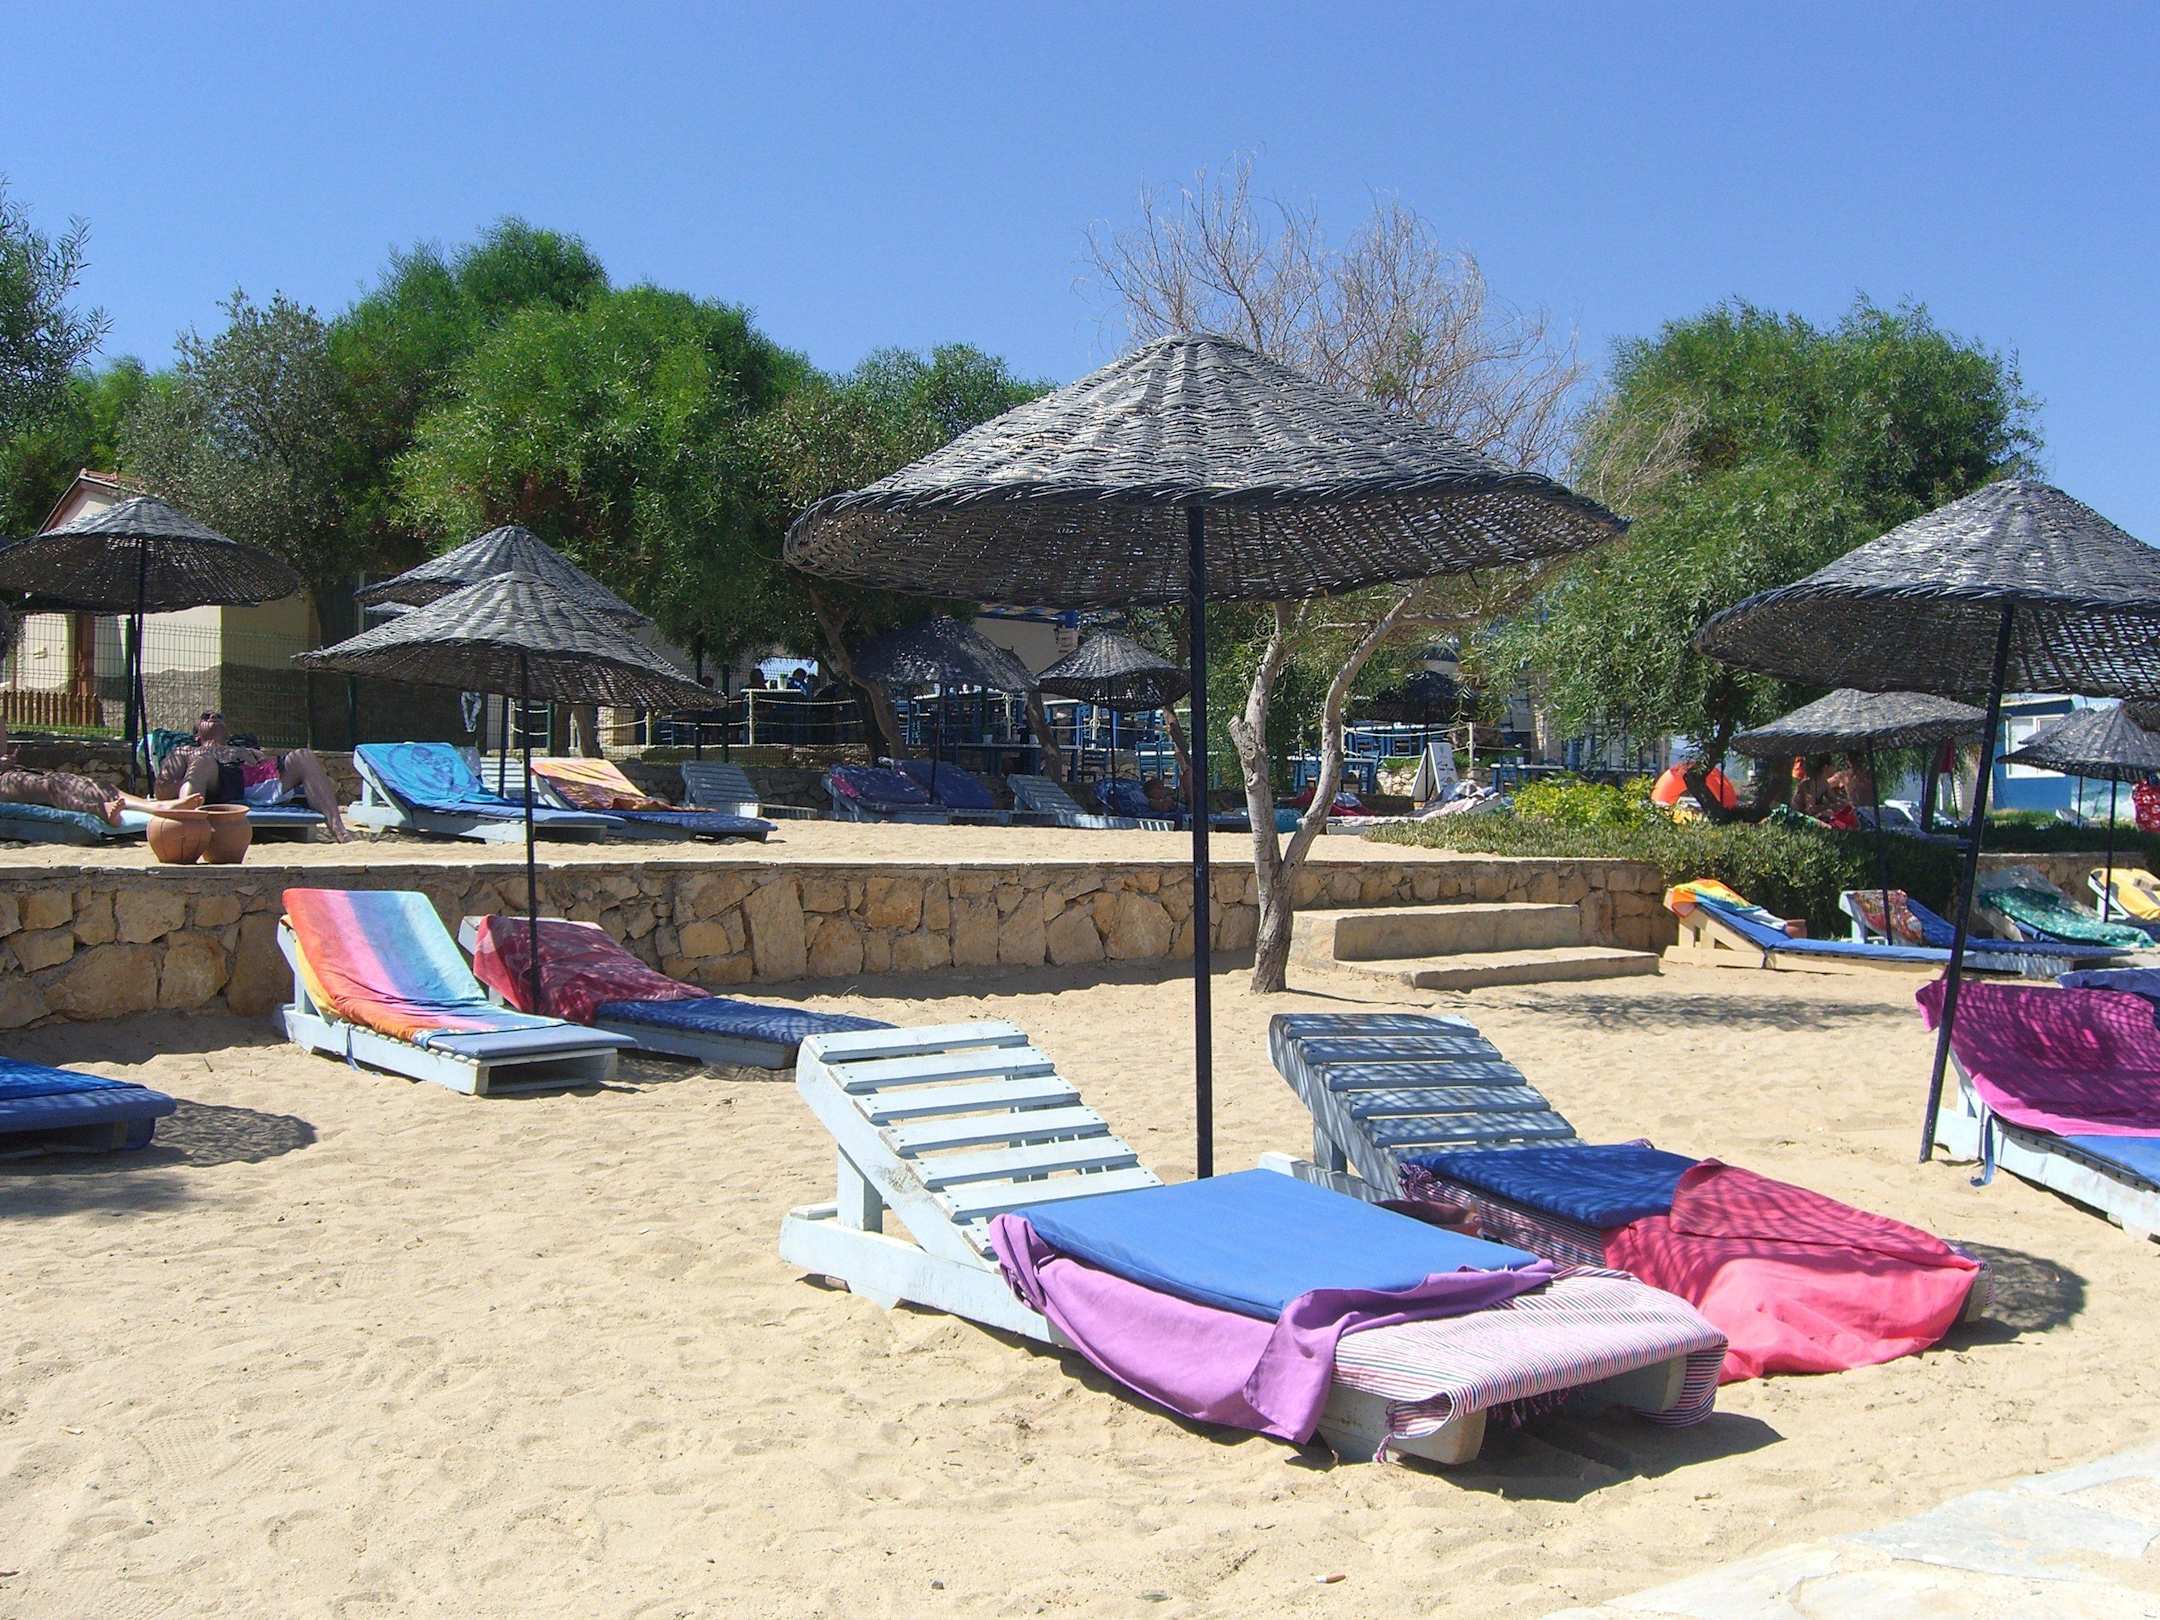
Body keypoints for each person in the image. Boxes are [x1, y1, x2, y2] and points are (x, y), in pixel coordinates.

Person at [155, 711, 352, 842]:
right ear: (197, 735)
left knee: (303, 755)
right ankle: (187, 831)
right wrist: (198, 774)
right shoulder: (185, 751)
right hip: (219, 784)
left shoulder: (244, 749)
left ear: (227, 731)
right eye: (206, 716)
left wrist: (253, 756)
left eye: (219, 716)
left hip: (257, 780)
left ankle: (338, 828)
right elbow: (162, 790)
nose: (213, 716)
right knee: (203, 762)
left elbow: (270, 764)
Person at [0, 723, 200, 825]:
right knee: (49, 787)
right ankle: (98, 810)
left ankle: (156, 806)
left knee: (85, 783)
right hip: (4, 782)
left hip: (14, 772)